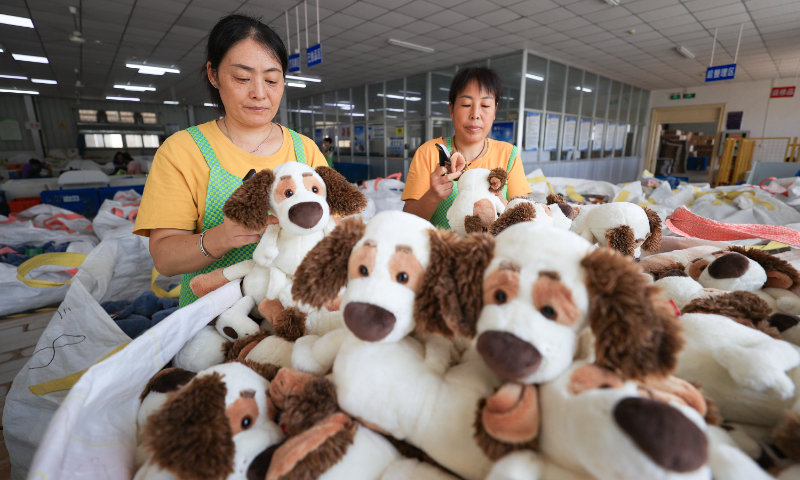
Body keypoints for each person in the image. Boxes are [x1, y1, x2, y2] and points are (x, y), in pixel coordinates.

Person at [133, 13, 329, 308]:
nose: (260, 94)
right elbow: (164, 259)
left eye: (272, 79)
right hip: (212, 322)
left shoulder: (306, 149)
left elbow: (333, 231)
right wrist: (222, 237)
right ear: (213, 75)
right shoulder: (182, 150)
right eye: (242, 78)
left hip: (294, 311)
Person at [401, 67, 531, 228]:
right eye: (466, 104)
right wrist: (433, 196)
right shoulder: (429, 152)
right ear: (451, 109)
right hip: (443, 250)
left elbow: (526, 220)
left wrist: (498, 200)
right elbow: (407, 220)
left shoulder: (508, 153)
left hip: (493, 251)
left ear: (495, 110)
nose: (475, 114)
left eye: (485, 105)